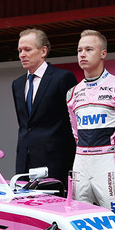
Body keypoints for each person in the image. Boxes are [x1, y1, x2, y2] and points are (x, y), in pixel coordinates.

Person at [67, 30, 115, 222]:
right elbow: (76, 134)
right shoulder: (72, 93)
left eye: (89, 49)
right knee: (81, 222)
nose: (82, 54)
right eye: (79, 50)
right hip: (81, 163)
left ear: (103, 53)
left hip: (109, 163)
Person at [13, 28, 78, 188]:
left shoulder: (63, 78)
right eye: (20, 50)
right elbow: (25, 125)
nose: (22, 54)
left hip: (55, 162)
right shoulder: (17, 84)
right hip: (24, 163)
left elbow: (73, 121)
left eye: (27, 49)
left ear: (43, 51)